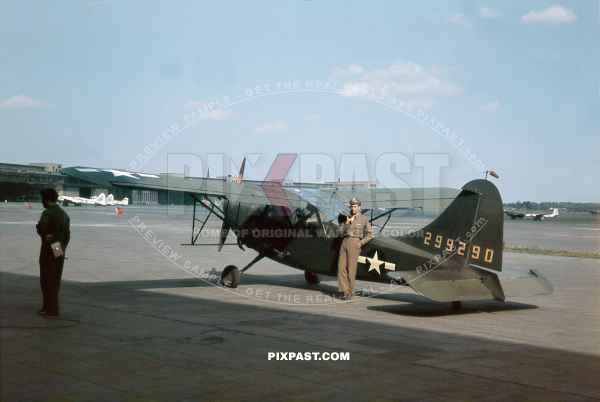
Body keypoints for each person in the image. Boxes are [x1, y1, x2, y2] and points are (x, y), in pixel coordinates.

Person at [36, 188, 70, 317]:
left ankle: (49, 309)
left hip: (48, 250)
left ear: (45, 199)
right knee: (55, 279)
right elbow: (67, 235)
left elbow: (42, 229)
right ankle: (51, 308)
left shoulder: (48, 213)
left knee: (46, 279)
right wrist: (61, 247)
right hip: (59, 249)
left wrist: (41, 230)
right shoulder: (63, 213)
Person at [337, 197, 372, 300]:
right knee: (341, 268)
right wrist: (346, 223)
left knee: (351, 269)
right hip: (344, 242)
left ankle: (350, 293)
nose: (353, 208)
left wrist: (360, 243)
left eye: (355, 206)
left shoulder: (364, 219)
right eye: (352, 206)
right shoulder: (346, 217)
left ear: (359, 207)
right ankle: (344, 290)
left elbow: (370, 234)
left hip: (355, 243)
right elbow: (340, 233)